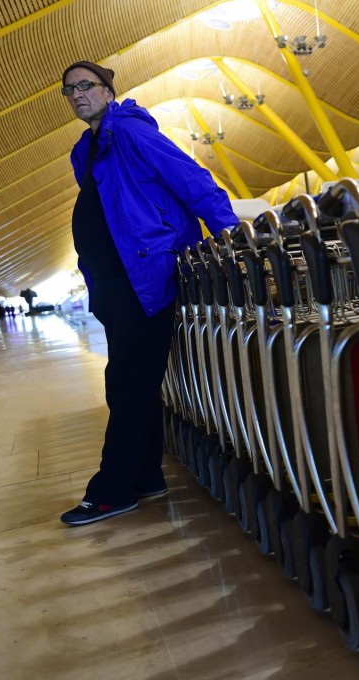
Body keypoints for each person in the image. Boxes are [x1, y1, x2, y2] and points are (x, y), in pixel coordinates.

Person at [59, 61, 238, 526]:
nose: (77, 94)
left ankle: (112, 491)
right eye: (69, 90)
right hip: (114, 285)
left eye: (86, 85)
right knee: (136, 382)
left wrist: (233, 243)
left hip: (144, 279)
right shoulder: (90, 148)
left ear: (107, 90)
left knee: (126, 383)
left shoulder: (132, 134)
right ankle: (145, 477)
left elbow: (194, 183)